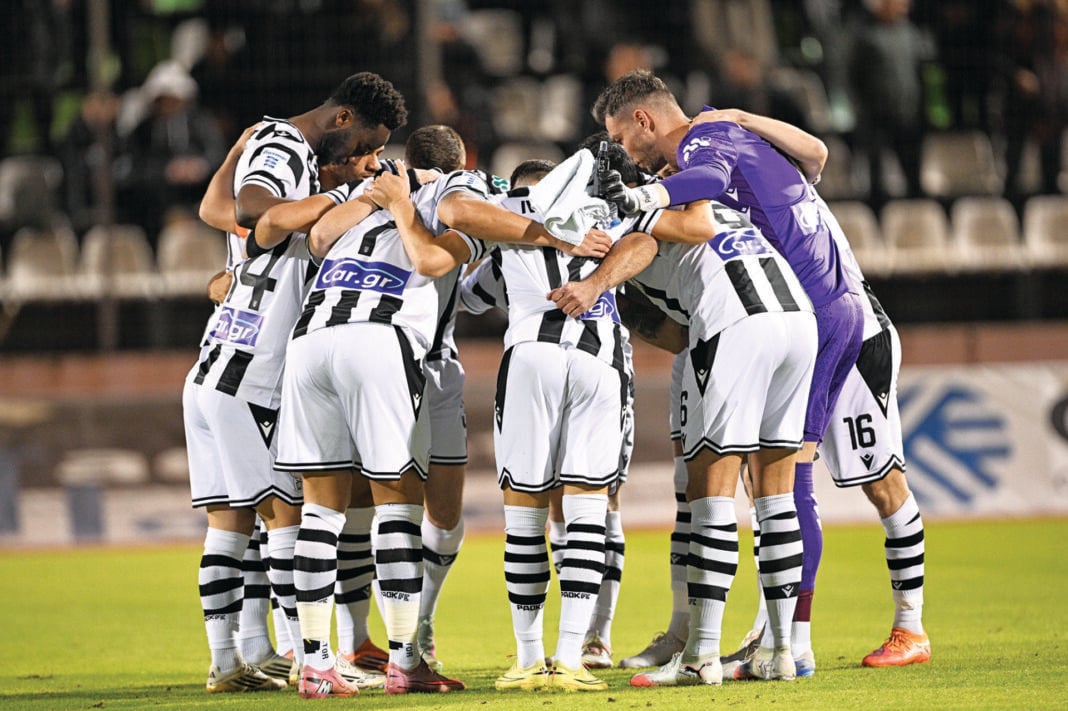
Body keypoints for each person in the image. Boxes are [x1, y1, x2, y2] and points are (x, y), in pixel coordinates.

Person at [273, 156, 609, 697]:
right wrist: (548, 234)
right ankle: (405, 659)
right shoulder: (451, 199)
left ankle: (315, 663)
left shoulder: (358, 205)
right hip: (381, 338)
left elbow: (314, 240)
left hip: (310, 339)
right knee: (398, 507)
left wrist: (378, 196)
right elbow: (445, 236)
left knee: (320, 509)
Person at [592, 70, 867, 678]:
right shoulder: (728, 133)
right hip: (821, 307)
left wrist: (640, 201)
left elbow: (705, 193)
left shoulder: (700, 144)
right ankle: (782, 648)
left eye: (621, 136)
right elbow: (817, 153)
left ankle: (723, 651)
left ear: (643, 120)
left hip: (790, 308)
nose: (623, 151)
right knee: (779, 486)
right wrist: (741, 117)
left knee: (742, 484)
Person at [548, 143, 817, 685]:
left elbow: (648, 246)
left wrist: (601, 284)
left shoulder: (629, 212)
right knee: (775, 494)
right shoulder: (708, 204)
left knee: (710, 492)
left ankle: (700, 656)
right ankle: (781, 650)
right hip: (796, 321)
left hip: (735, 325)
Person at [186, 71, 408, 695]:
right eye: (366, 147)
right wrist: (355, 198)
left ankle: (236, 657)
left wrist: (236, 151)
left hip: (213, 366)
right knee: (287, 517)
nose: (369, 160)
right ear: (342, 120)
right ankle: (308, 654)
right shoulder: (289, 153)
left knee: (230, 525)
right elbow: (255, 212)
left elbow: (221, 212)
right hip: (252, 374)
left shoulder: (288, 175)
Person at [698, 108, 929, 669]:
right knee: (771, 483)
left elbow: (818, 151)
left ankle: (910, 628)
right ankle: (774, 632)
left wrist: (738, 117)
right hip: (806, 331)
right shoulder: (754, 176)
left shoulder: (750, 169)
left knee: (882, 484)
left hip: (857, 332)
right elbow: (816, 153)